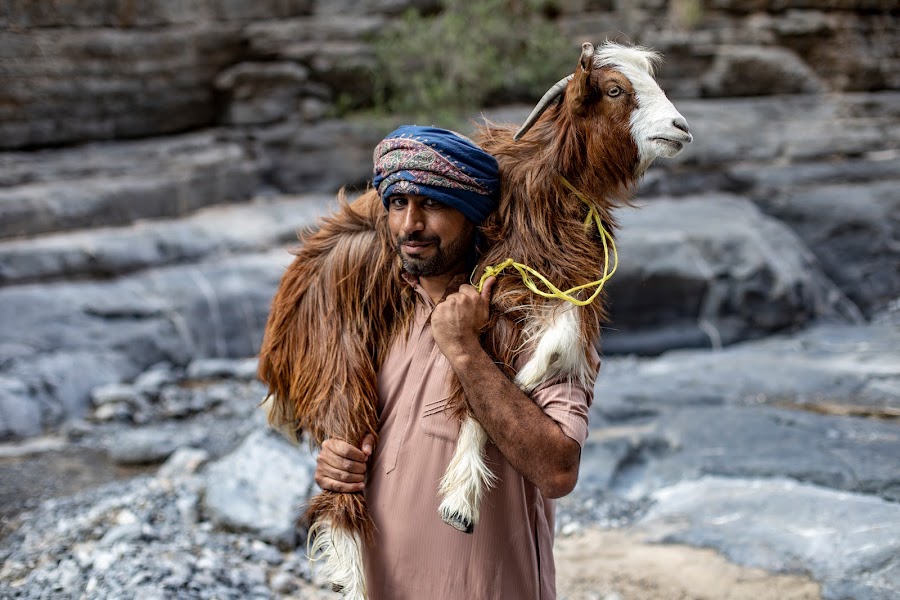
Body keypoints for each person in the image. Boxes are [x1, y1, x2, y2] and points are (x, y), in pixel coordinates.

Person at [313, 126, 594, 599]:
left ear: (475, 215)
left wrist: (464, 349)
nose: (410, 224)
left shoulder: (540, 319)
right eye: (398, 203)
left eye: (433, 204)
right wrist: (332, 464)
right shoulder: (382, 313)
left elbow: (557, 471)